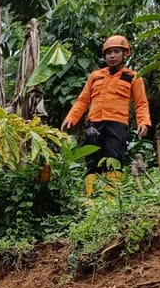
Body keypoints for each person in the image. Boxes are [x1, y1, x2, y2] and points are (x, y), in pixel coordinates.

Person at [61, 34, 152, 197]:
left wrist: (143, 122)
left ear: (125, 54)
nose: (112, 56)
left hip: (117, 125)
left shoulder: (133, 77)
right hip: (94, 125)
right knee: (91, 160)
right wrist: (71, 119)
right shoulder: (95, 76)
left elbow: (141, 103)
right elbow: (82, 100)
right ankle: (90, 197)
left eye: (116, 52)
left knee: (113, 159)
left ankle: (110, 200)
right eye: (109, 53)